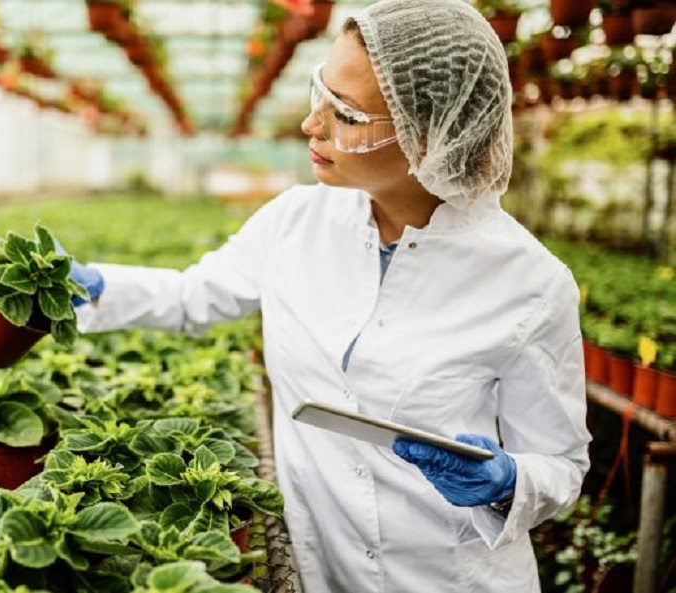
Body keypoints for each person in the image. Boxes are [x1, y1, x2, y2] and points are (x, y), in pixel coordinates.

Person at [65, 0, 591, 590]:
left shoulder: (530, 283)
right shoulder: (297, 220)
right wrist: (96, 285)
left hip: (452, 577)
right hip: (324, 570)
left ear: (430, 136)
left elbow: (562, 464)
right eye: (322, 94)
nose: (312, 124)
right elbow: (196, 295)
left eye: (346, 114)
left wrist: (508, 481)